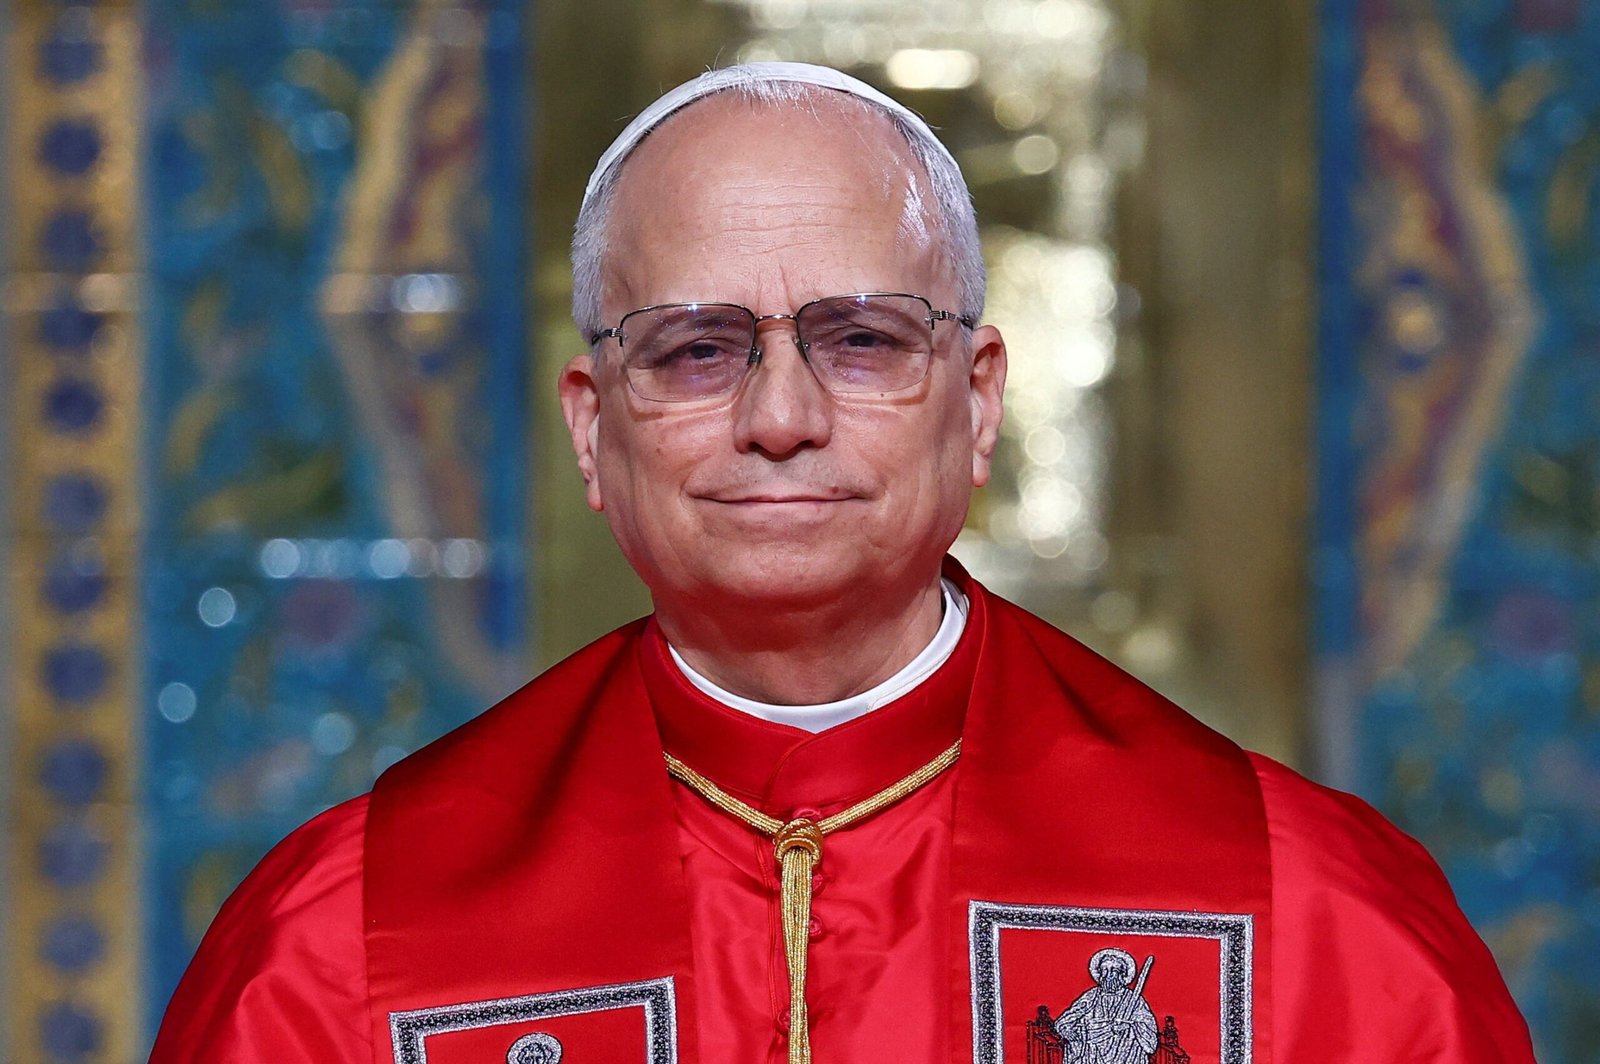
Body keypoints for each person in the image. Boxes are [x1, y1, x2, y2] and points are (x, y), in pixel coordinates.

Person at [150, 62, 1536, 1064]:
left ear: (978, 403)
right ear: (592, 429)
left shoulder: (1309, 917)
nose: (780, 417)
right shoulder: (344, 945)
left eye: (862, 339)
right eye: (697, 350)